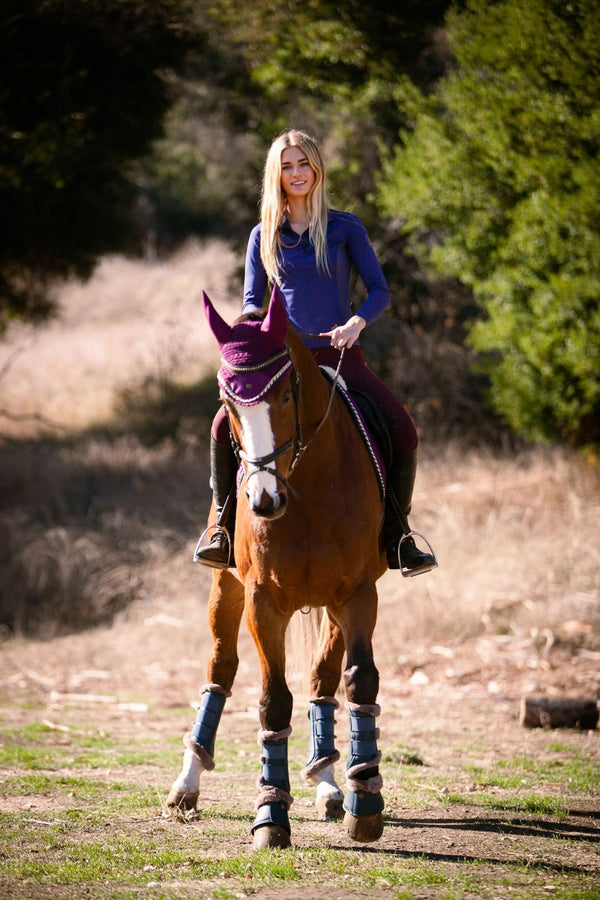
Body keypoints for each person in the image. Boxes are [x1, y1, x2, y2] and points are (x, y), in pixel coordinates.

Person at [194, 129, 436, 576]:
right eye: (287, 166)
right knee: (217, 429)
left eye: (303, 163)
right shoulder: (262, 235)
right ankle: (223, 531)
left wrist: (355, 323)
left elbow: (380, 291)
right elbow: (252, 302)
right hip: (281, 365)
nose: (297, 173)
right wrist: (250, 333)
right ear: (277, 174)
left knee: (402, 428)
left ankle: (398, 536)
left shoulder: (345, 227)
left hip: (338, 356)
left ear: (317, 167)